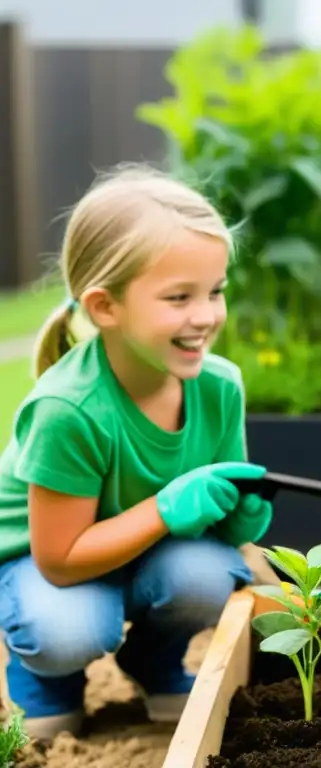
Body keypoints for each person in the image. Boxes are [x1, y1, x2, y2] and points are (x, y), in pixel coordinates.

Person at [0, 165, 272, 740]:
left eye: (215, 291)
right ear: (105, 307)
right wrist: (167, 510)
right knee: (70, 630)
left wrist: (239, 520)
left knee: (207, 576)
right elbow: (59, 557)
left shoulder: (219, 387)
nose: (206, 316)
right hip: (49, 565)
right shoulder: (69, 410)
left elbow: (220, 533)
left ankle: (153, 659)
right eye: (179, 298)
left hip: (147, 552)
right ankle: (48, 679)